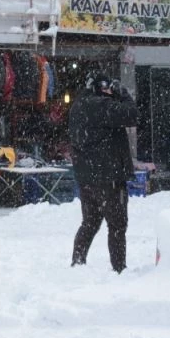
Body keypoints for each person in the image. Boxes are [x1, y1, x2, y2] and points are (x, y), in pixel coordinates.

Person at [68, 74, 138, 273]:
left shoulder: (77, 107)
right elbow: (132, 114)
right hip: (109, 178)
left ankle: (77, 262)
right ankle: (119, 269)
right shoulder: (102, 105)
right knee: (117, 225)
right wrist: (122, 93)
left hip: (86, 177)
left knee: (90, 222)